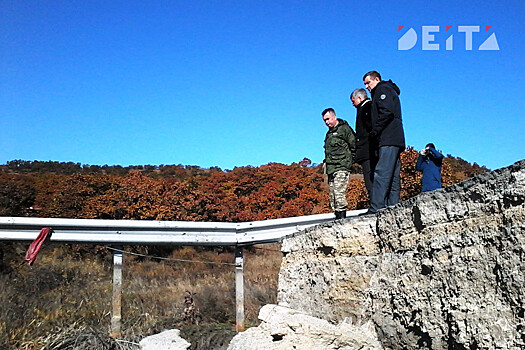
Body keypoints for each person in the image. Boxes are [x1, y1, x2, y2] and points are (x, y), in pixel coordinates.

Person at [363, 71, 405, 214]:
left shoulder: (382, 90)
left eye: (368, 83)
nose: (367, 87)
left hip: (387, 137)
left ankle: (377, 207)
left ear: (377, 79)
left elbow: (387, 112)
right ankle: (392, 208)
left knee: (381, 172)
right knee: (393, 175)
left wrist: (375, 131)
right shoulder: (389, 90)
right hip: (395, 138)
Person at [322, 108, 356, 219]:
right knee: (333, 196)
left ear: (334, 117)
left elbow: (354, 145)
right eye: (324, 121)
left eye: (328, 119)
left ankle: (342, 218)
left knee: (339, 193)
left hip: (342, 166)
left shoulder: (344, 129)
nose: (327, 122)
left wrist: (350, 162)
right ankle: (337, 218)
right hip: (331, 168)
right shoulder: (329, 134)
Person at [350, 88, 374, 201]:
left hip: (368, 149)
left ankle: (375, 203)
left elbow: (369, 127)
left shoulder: (367, 108)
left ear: (359, 98)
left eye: (353, 101)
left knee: (370, 177)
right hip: (367, 149)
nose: (353, 105)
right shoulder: (364, 108)